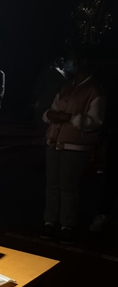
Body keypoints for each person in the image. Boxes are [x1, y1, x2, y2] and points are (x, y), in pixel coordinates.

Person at [42, 48, 104, 244]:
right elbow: (54, 108)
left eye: (70, 60)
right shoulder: (68, 86)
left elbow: (95, 121)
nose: (67, 63)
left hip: (75, 145)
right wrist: (50, 115)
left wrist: (69, 118)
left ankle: (66, 226)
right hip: (55, 142)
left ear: (82, 62)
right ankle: (49, 222)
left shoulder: (94, 89)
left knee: (68, 188)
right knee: (52, 186)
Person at [33, 57, 66, 133]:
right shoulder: (49, 70)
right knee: (44, 119)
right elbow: (40, 83)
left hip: (56, 100)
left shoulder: (63, 72)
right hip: (45, 99)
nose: (62, 62)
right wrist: (34, 96)